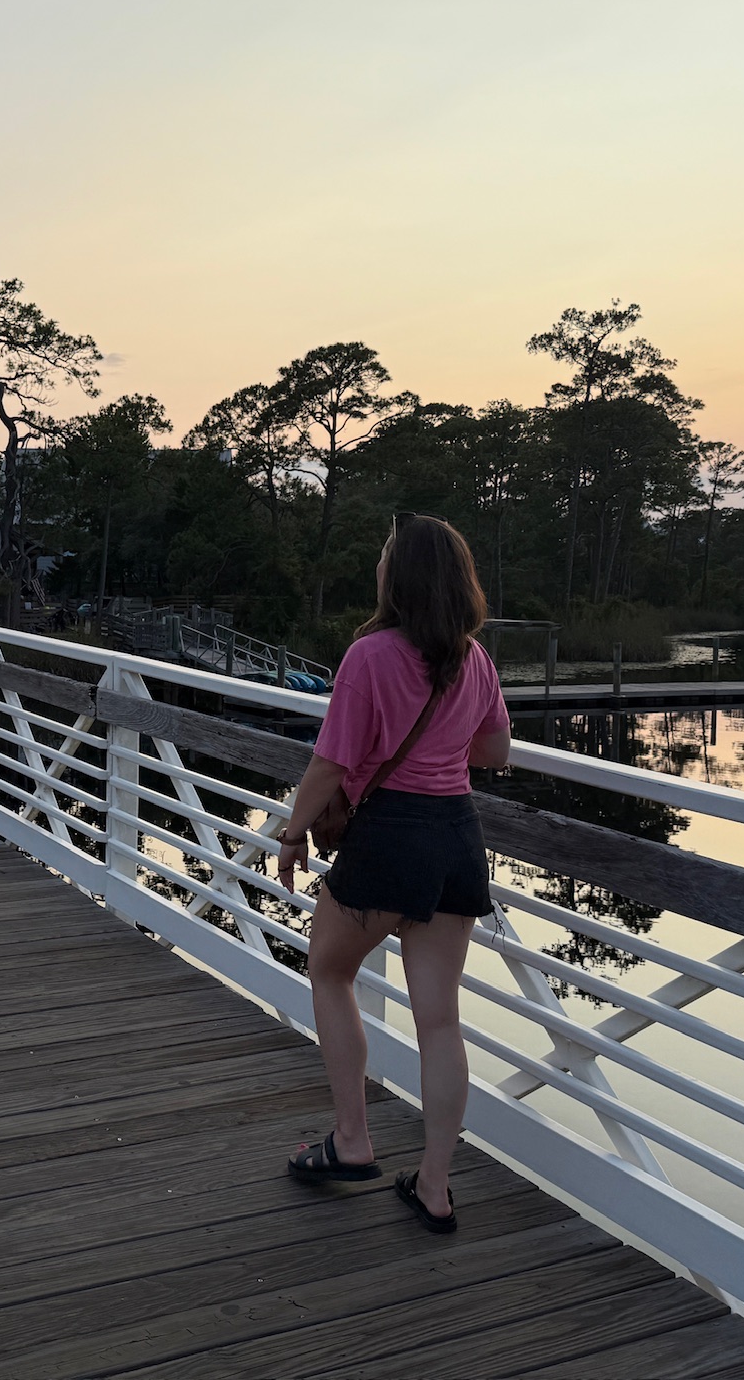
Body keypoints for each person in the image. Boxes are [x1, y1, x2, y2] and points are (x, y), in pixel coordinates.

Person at [276, 513, 511, 1234]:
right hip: (456, 841)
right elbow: (496, 751)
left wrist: (291, 834)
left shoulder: (370, 655)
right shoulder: (473, 659)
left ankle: (352, 1140)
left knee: (328, 971)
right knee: (440, 1020)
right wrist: (440, 746)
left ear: (396, 577)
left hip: (390, 839)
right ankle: (435, 1186)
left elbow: (331, 762)